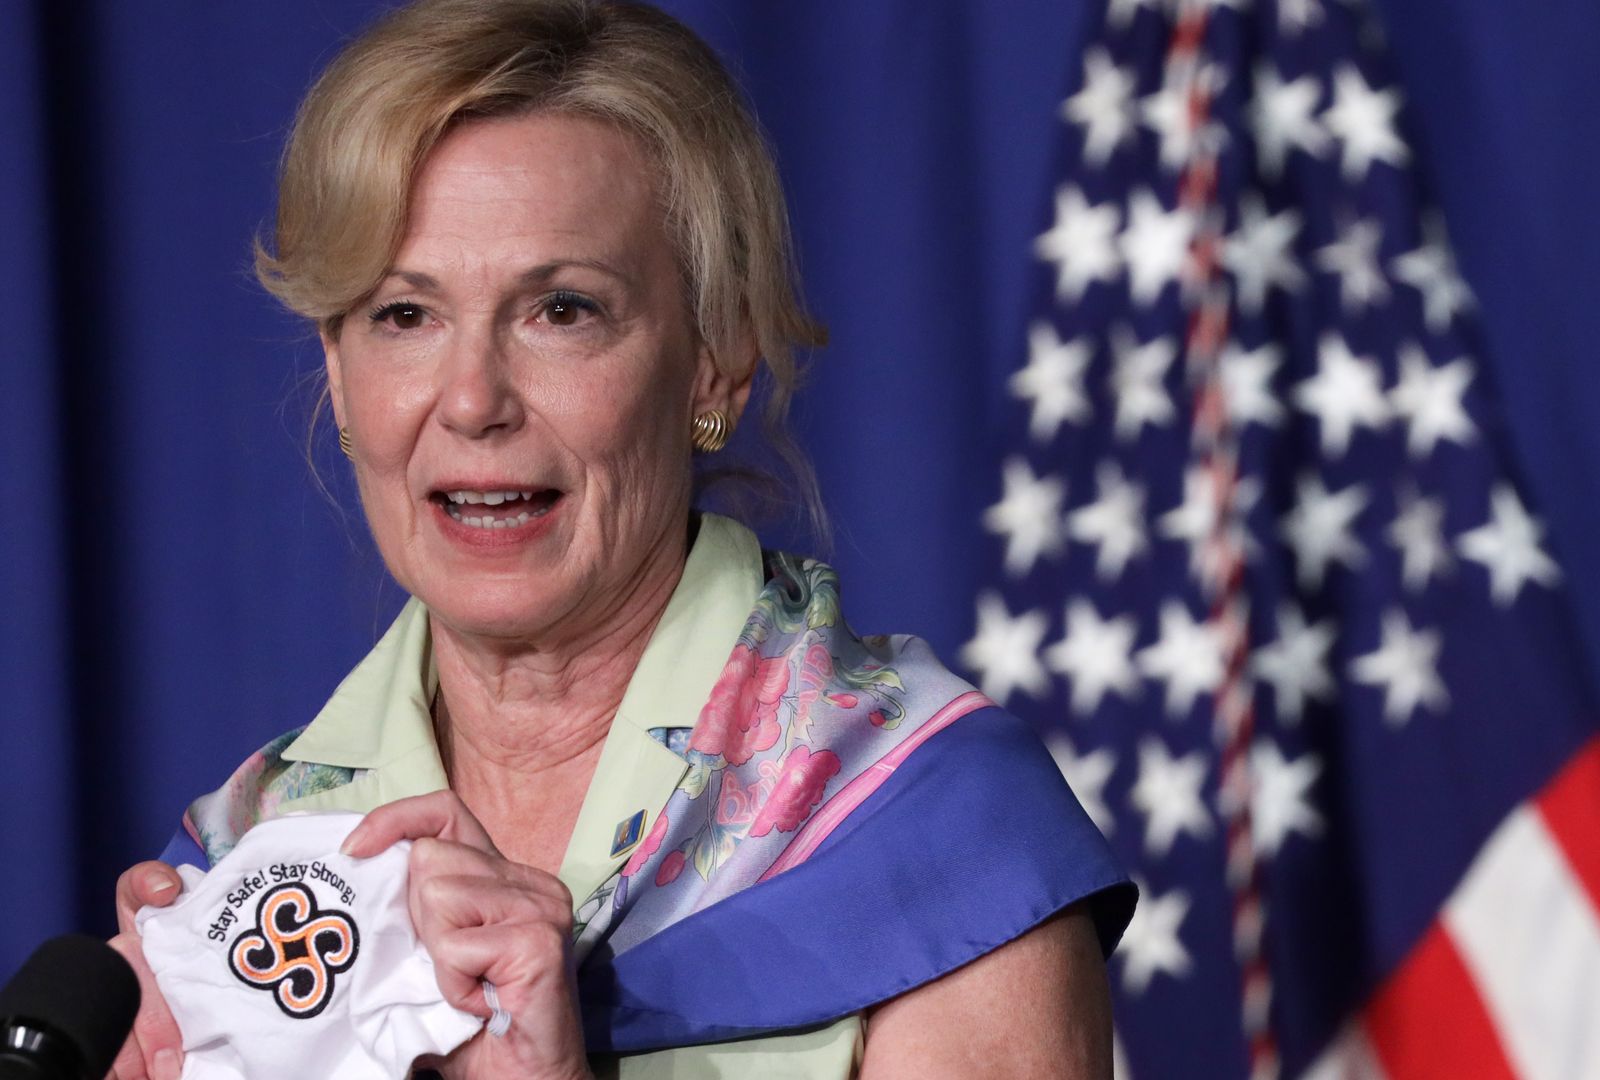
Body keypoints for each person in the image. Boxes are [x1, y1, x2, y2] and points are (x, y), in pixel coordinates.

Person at [103, 1, 1133, 1076]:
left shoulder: (936, 834)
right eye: (404, 315)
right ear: (338, 373)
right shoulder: (243, 873)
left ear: (714, 360)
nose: (470, 402)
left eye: (562, 310)